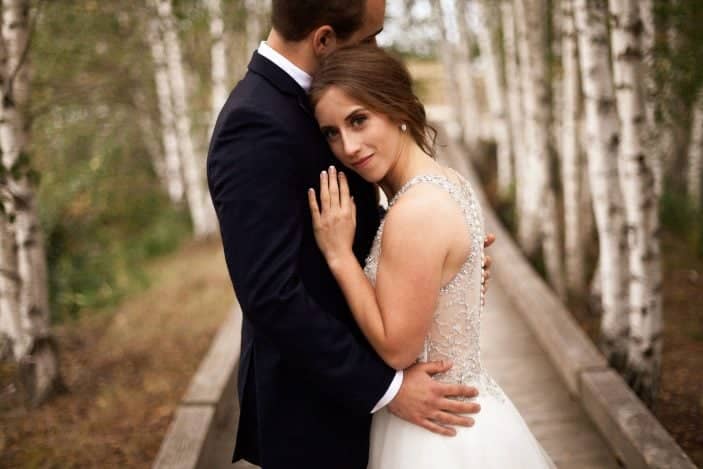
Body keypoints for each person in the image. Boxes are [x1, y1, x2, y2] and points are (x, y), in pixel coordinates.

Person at [206, 1, 494, 468]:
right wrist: (386, 389)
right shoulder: (253, 126)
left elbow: (351, 226)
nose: (377, 52)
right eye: (370, 38)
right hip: (316, 412)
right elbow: (270, 293)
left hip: (372, 399)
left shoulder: (319, 99)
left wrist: (437, 258)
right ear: (324, 41)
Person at [307, 44, 556, 468]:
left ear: (398, 108)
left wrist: (339, 256)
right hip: (461, 414)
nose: (348, 146)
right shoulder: (448, 181)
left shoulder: (415, 210)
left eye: (358, 120)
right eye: (332, 132)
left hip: (434, 435)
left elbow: (397, 350)